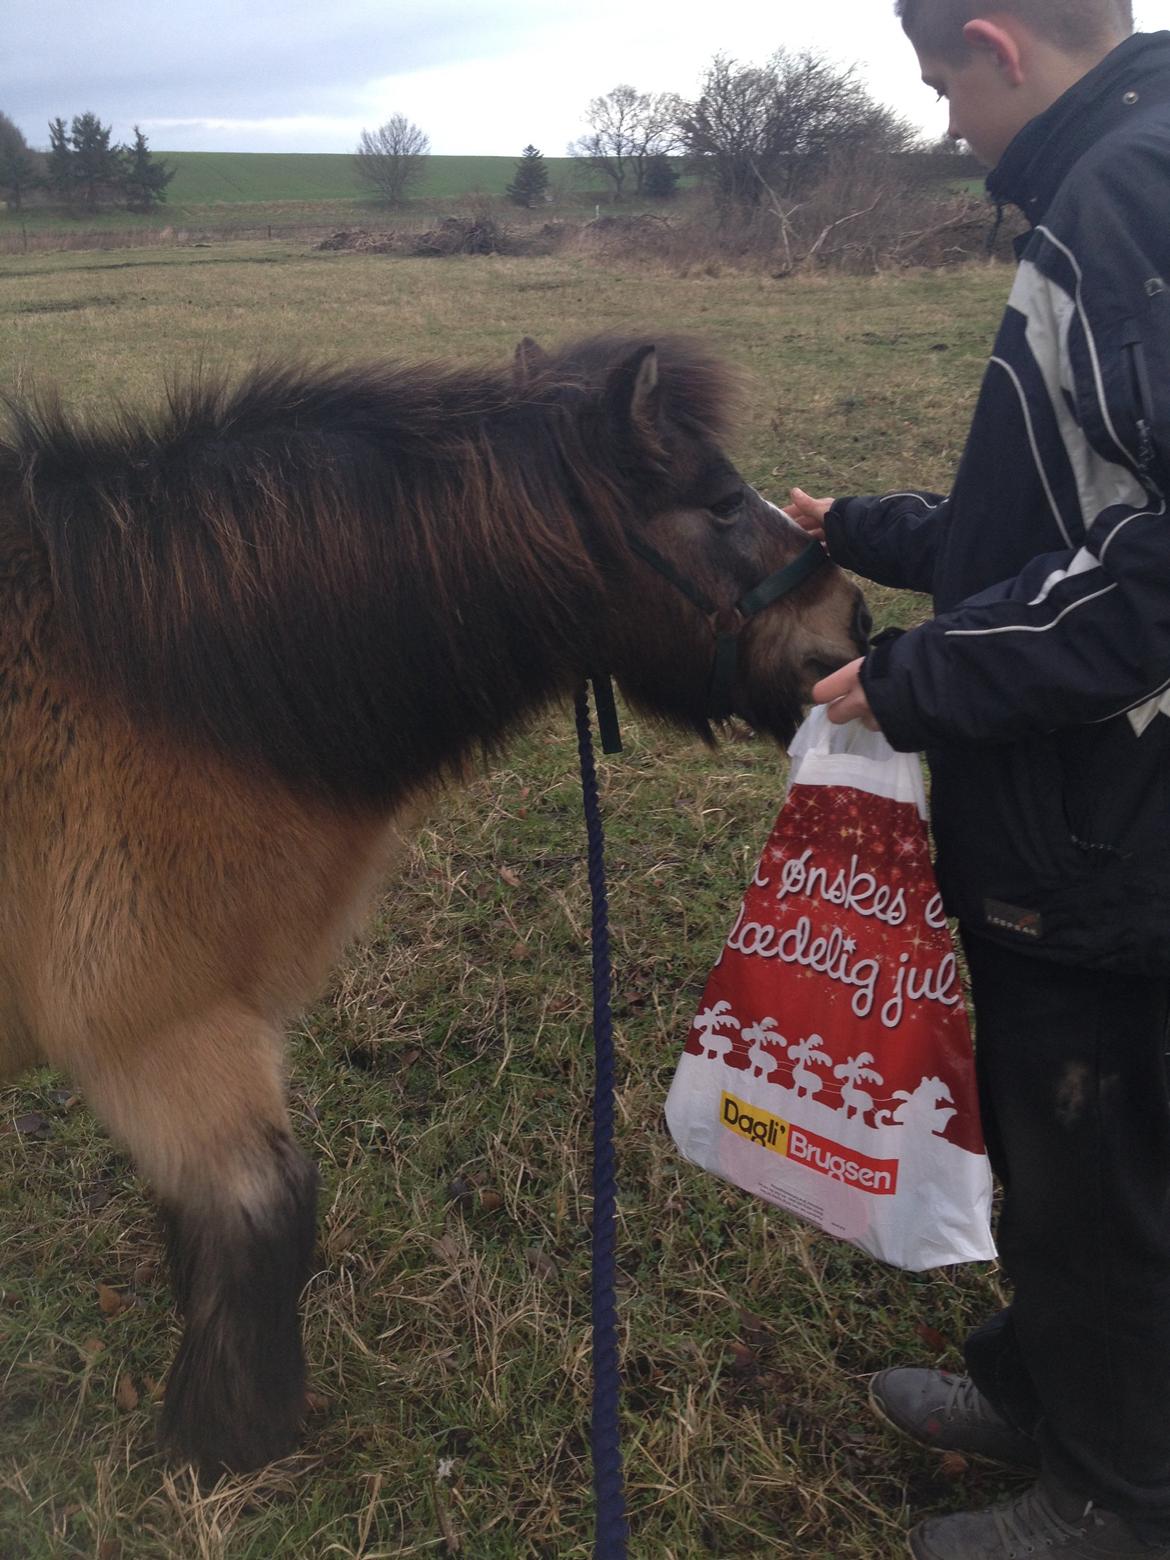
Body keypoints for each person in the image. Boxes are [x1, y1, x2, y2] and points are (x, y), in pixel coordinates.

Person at [784, 4, 1170, 1556]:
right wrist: (870, 528)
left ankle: (1119, 1499)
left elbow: (1150, 577)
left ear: (999, 46)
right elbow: (1073, 512)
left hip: (1103, 826)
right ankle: (1046, 1389)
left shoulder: (1124, 196)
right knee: (1068, 1145)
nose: (943, 121)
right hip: (1093, 807)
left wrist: (921, 673)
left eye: (942, 81)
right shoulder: (1117, 180)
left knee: (1092, 1162)